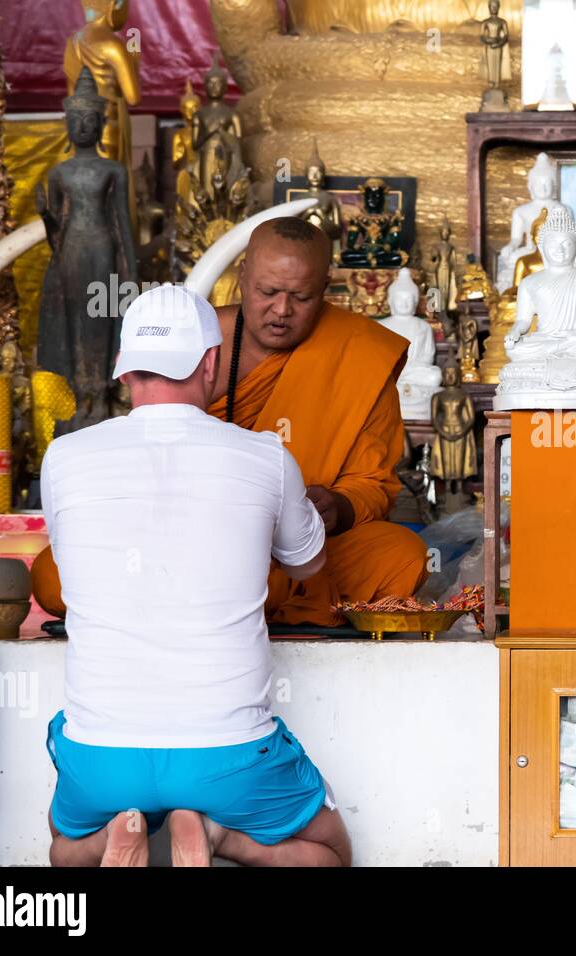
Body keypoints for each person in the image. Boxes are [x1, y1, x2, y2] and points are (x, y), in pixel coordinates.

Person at [43, 285, 350, 866]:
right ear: (211, 362)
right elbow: (310, 564)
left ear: (124, 368)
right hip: (226, 755)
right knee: (329, 851)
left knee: (62, 849)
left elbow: (71, 559)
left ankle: (108, 838)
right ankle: (215, 835)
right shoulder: (264, 456)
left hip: (103, 753)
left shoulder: (64, 457)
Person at [33, 216, 430, 625]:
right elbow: (145, 441)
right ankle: (251, 600)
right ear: (243, 277)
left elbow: (375, 484)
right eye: (268, 291)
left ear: (325, 288)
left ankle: (200, 598)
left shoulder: (359, 354)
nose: (281, 310)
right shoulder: (192, 339)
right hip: (179, 537)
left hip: (294, 549)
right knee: (50, 573)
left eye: (301, 296)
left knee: (401, 554)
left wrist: (341, 507)